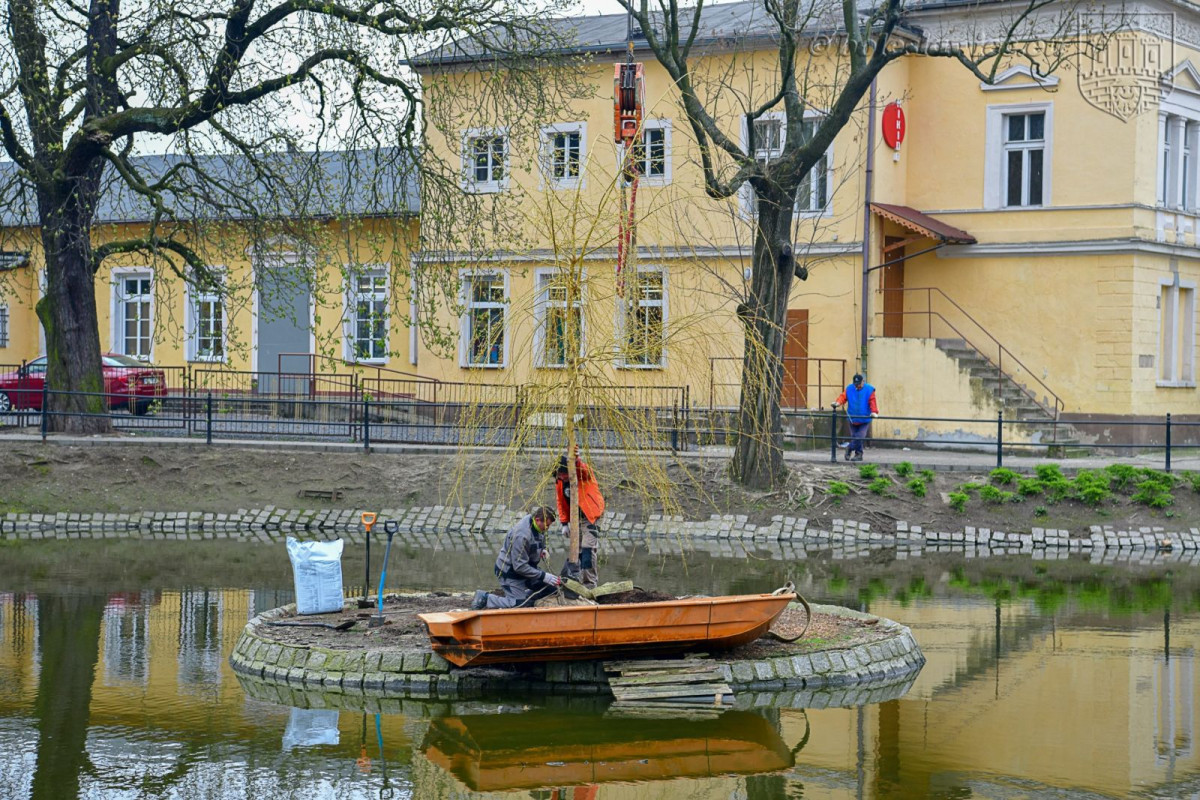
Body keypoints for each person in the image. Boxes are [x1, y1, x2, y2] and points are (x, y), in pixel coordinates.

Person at [471, 506, 560, 610]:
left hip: (527, 569)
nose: (547, 528)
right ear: (537, 520)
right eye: (546, 525)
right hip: (511, 572)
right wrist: (543, 576)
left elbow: (540, 538)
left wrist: (543, 549)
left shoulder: (536, 523)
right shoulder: (522, 535)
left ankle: (524, 596)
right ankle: (485, 598)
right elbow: (519, 566)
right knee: (519, 604)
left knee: (551, 588)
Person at [554, 452, 606, 588]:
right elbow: (560, 501)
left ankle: (590, 584)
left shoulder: (582, 473)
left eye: (563, 473)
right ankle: (577, 582)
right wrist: (564, 523)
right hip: (575, 517)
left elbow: (583, 469)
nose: (562, 477)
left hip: (591, 514)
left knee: (588, 548)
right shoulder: (559, 481)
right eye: (559, 474)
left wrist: (575, 460)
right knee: (577, 550)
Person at [835, 373, 879, 462]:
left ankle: (849, 448)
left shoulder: (869, 390)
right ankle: (859, 455)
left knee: (860, 437)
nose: (857, 386)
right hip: (852, 418)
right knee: (855, 437)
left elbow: (872, 401)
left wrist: (874, 412)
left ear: (863, 381)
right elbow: (843, 397)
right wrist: (838, 403)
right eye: (856, 384)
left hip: (864, 419)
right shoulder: (849, 388)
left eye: (859, 383)